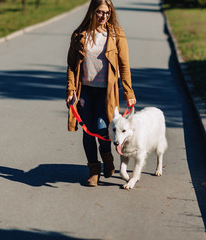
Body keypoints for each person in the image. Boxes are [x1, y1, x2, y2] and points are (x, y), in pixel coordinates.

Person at [66, 0, 136, 187]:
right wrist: (71, 89)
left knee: (102, 128)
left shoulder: (116, 34)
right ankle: (93, 171)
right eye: (99, 12)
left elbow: (124, 65)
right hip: (85, 90)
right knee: (88, 131)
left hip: (107, 92)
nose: (104, 16)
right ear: (92, 12)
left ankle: (108, 159)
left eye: (107, 12)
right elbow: (72, 66)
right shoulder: (80, 34)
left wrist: (129, 91)